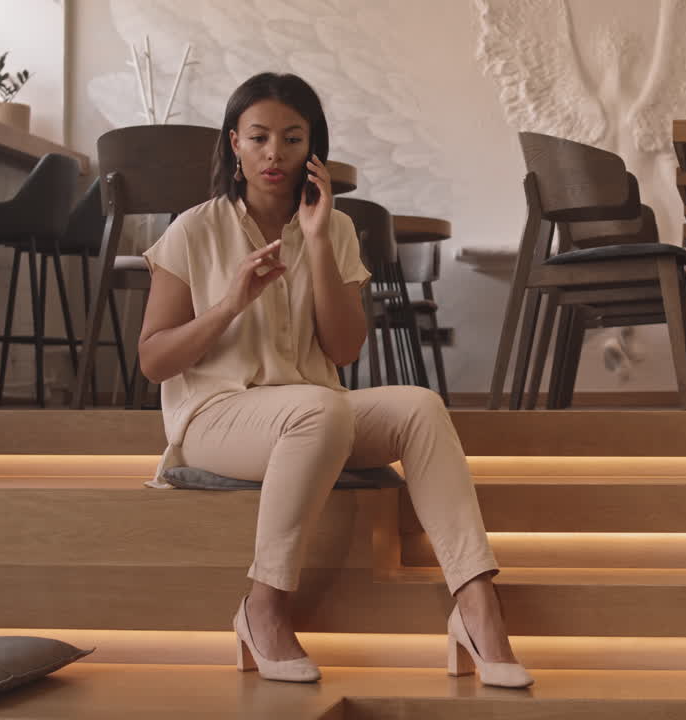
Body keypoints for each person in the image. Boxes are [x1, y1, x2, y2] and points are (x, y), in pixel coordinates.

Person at [137, 72, 531, 688]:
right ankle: (262, 605)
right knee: (320, 411)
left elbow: (344, 348)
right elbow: (154, 361)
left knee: (419, 407)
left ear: (312, 150)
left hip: (317, 413)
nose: (275, 153)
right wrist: (230, 303)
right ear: (234, 145)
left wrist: (317, 242)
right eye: (260, 137)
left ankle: (476, 603)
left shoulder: (337, 230)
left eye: (292, 139)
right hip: (216, 416)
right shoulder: (194, 229)